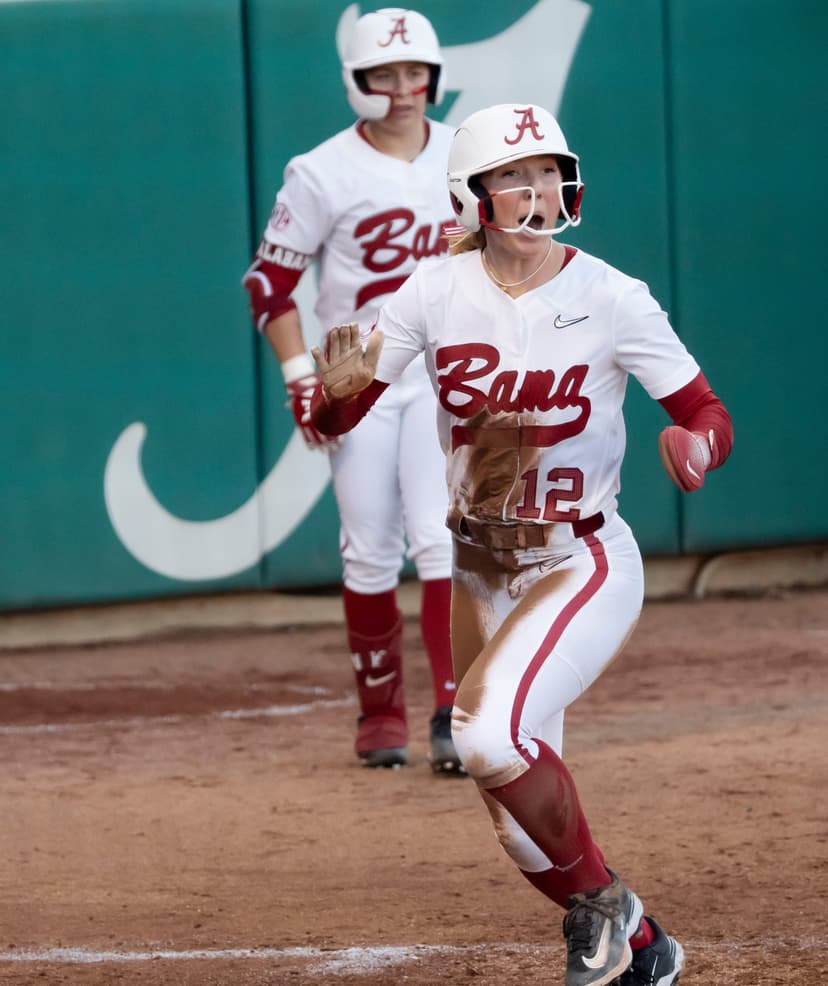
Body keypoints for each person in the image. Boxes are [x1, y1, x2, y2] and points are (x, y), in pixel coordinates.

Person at [309, 103, 734, 985]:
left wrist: (696, 448)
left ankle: (606, 909)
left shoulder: (612, 295)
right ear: (474, 195)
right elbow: (342, 409)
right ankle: (645, 947)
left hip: (579, 558)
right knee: (509, 809)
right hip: (481, 570)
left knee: (485, 737)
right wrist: (331, 397)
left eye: (548, 170)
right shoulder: (434, 289)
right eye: (514, 174)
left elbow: (704, 412)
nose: (537, 189)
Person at [241, 9, 464, 773]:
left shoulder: (467, 157)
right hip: (360, 373)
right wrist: (302, 378)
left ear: (434, 75)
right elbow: (270, 284)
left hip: (441, 370)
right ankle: (380, 716)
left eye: (415, 73)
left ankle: (451, 711)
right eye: (384, 75)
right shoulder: (321, 170)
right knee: (369, 546)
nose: (403, 90)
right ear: (356, 81)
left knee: (442, 537)